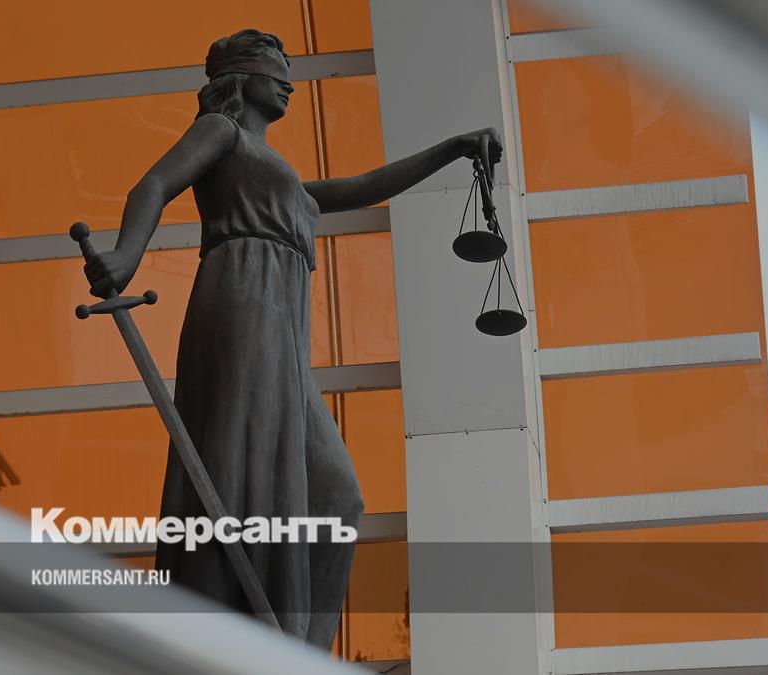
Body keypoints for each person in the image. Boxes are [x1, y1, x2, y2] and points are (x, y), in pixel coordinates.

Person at [84, 28, 502, 649]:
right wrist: (125, 256)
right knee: (236, 461)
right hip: (241, 299)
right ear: (241, 77)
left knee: (337, 495)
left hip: (282, 325)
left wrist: (454, 148)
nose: (289, 82)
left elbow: (362, 187)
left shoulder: (282, 177)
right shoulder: (221, 132)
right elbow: (154, 184)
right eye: (276, 69)